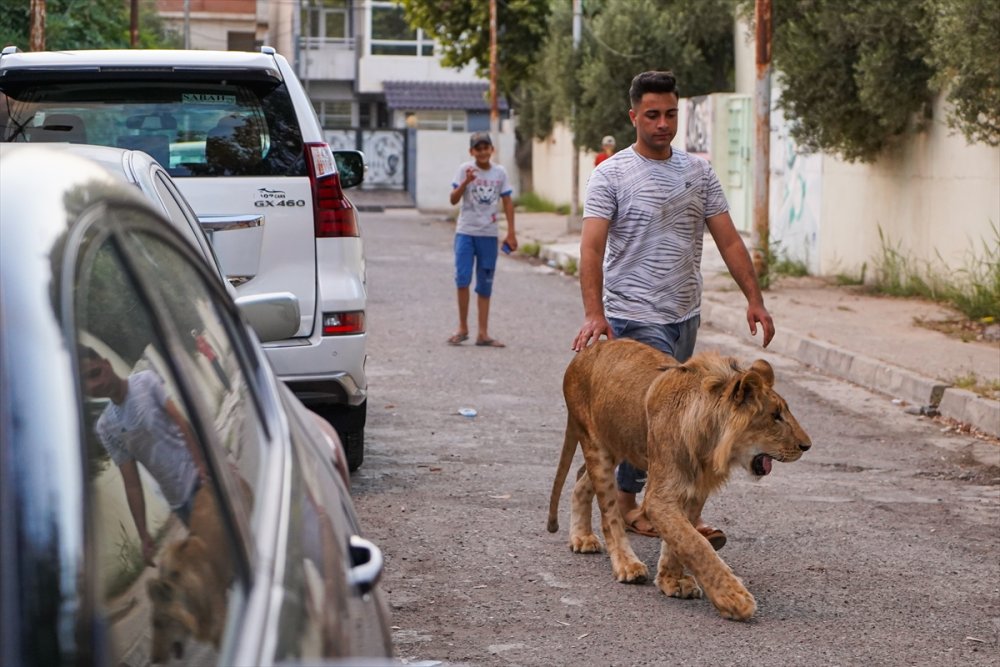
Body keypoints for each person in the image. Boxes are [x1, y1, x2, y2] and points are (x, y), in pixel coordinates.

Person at [572, 71, 775, 550]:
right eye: (652, 115)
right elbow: (591, 249)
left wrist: (754, 298)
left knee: (668, 416)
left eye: (670, 114)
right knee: (658, 418)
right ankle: (638, 507)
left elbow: (727, 237)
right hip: (633, 313)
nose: (663, 124)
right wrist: (593, 313)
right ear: (633, 117)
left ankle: (661, 506)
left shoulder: (697, 172)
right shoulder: (612, 174)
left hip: (685, 312)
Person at [80, 346, 209, 566]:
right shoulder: (105, 426)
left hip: (200, 483)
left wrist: (203, 465)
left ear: (106, 364)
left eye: (95, 373)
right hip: (179, 502)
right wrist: (143, 535)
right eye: (85, 384)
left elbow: (181, 422)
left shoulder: (145, 382)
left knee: (231, 554)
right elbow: (131, 483)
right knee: (211, 565)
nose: (95, 385)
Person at [447, 131, 518, 348]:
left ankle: (483, 333)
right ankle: (462, 327)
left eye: (486, 147)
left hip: (488, 234)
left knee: (485, 284)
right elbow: (453, 200)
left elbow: (507, 202)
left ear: (492, 149)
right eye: (478, 148)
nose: (483, 152)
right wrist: (466, 182)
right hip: (466, 233)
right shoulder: (464, 170)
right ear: (472, 152)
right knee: (463, 279)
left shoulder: (500, 173)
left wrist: (511, 232)